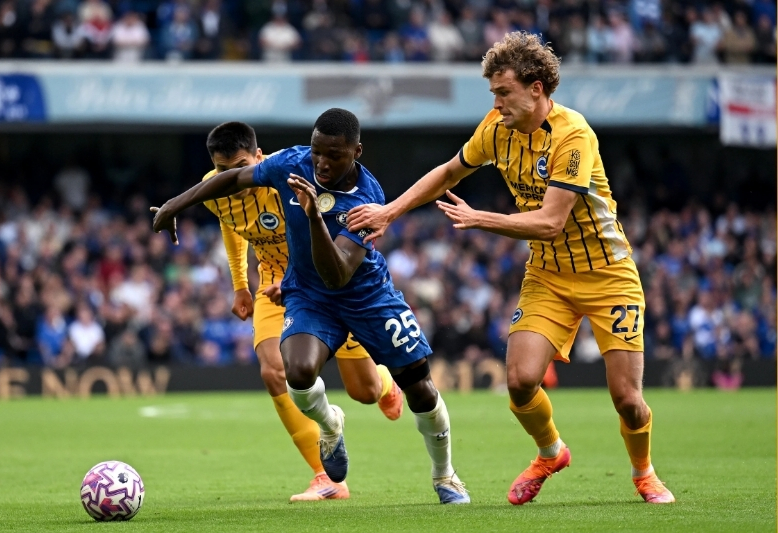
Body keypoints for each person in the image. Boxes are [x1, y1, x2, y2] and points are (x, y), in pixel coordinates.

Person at [347, 32, 674, 505]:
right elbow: (449, 172)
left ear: (536, 88)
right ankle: (551, 452)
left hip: (608, 274)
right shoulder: (496, 128)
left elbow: (550, 222)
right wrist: (390, 211)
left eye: (504, 92)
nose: (496, 103)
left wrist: (479, 218)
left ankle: (644, 473)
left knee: (627, 398)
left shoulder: (574, 136)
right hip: (548, 274)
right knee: (520, 382)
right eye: (493, 93)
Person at [151, 109, 469, 504]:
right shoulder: (291, 164)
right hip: (305, 291)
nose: (321, 163)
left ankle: (445, 474)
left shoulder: (366, 199)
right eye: (317, 152)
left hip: (363, 295)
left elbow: (338, 274)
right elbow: (231, 184)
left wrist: (314, 216)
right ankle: (329, 431)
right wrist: (173, 206)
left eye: (333, 155)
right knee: (293, 372)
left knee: (402, 389)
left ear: (356, 152)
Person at [201, 121, 405, 500]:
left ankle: (383, 382)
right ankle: (326, 477)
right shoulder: (215, 187)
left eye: (239, 166)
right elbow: (230, 223)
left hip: (328, 281)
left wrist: (297, 277)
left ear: (258, 157)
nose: (231, 177)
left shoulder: (288, 174)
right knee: (274, 371)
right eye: (222, 169)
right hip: (272, 283)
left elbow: (328, 229)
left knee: (363, 391)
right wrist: (240, 284)